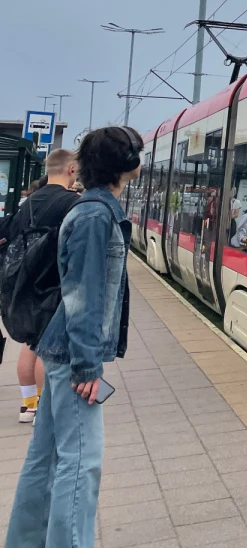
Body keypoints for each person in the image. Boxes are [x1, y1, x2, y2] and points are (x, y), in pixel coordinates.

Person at [6, 126, 143, 548]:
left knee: (44, 456)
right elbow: (82, 293)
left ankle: (25, 541)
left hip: (61, 346)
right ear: (126, 165)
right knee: (82, 462)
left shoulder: (90, 211)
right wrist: (88, 364)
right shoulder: (95, 217)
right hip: (72, 354)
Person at [0, 150, 79, 424]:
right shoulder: (72, 202)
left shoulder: (28, 203)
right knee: (50, 349)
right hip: (55, 283)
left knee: (29, 345)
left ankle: (27, 406)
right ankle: (45, 407)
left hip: (25, 282)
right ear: (71, 169)